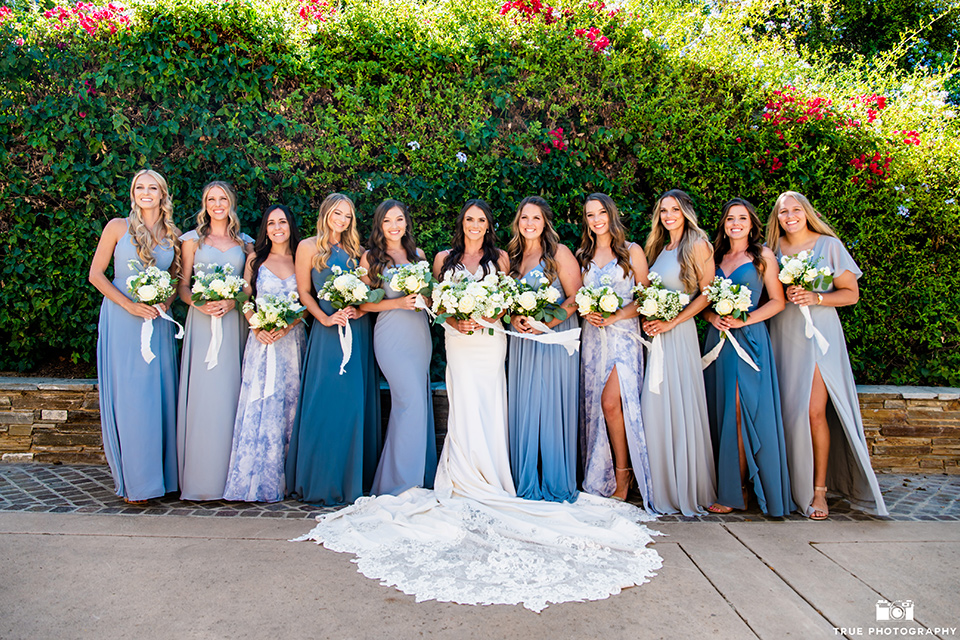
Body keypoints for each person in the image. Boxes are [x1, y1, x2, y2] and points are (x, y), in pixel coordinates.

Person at [293, 199, 663, 611]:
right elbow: (437, 306)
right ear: (461, 224)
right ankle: (458, 473)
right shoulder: (439, 259)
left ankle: (493, 475)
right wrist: (456, 320)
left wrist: (493, 314)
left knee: (490, 402)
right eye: (468, 218)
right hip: (458, 342)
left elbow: (507, 303)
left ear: (488, 226)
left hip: (490, 342)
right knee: (461, 404)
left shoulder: (502, 257)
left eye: (481, 220)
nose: (474, 225)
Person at [766, 191, 887, 519]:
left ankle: (818, 490)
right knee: (789, 412)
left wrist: (816, 297)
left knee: (814, 411)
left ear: (806, 212)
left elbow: (851, 294)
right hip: (783, 334)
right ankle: (791, 484)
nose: (789, 216)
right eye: (782, 212)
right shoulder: (773, 250)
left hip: (819, 336)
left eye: (795, 210)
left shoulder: (828, 246)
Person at [89, 169, 180, 503]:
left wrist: (163, 303)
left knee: (159, 396)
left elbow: (174, 280)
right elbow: (96, 275)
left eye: (152, 187)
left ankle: (165, 480)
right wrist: (130, 306)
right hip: (123, 320)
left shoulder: (173, 234)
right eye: (140, 187)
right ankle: (137, 484)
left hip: (158, 323)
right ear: (133, 193)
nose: (146, 192)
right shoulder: (117, 227)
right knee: (132, 398)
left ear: (162, 194)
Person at [285, 193, 381, 505]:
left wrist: (360, 311)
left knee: (352, 406)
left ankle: (352, 481)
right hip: (327, 334)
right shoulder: (308, 247)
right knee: (323, 403)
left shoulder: (358, 252)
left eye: (348, 216)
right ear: (326, 213)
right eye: (337, 214)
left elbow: (369, 294)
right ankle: (320, 479)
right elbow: (303, 291)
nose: (342, 220)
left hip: (356, 330)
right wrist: (325, 318)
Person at [702, 198, 794, 516]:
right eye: (730, 218)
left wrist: (744, 319)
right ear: (724, 224)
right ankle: (731, 484)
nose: (736, 224)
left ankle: (737, 489)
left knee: (740, 412)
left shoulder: (762, 256)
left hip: (749, 341)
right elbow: (702, 301)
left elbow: (777, 302)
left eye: (742, 218)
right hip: (718, 341)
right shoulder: (714, 256)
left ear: (752, 224)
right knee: (721, 411)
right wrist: (712, 318)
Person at [640, 189, 717, 516]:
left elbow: (707, 293)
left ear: (686, 211)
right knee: (655, 405)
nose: (668, 215)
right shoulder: (660, 248)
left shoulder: (698, 244)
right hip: (658, 335)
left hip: (680, 333)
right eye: (663, 210)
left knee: (680, 403)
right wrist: (649, 316)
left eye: (674, 209)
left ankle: (686, 487)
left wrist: (672, 321)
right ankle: (660, 486)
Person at [222, 205, 307, 502]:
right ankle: (254, 477)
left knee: (289, 403)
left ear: (290, 225)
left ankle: (288, 478)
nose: (277, 227)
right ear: (265, 229)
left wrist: (288, 325)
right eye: (271, 222)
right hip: (261, 341)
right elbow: (244, 297)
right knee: (261, 402)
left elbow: (307, 300)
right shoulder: (255, 260)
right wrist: (256, 326)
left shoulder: (301, 258)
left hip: (292, 341)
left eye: (282, 221)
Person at [177, 181, 253, 501]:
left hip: (234, 322)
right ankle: (201, 480)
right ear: (204, 204)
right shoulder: (191, 241)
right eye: (211, 199)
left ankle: (231, 478)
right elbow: (181, 287)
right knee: (204, 397)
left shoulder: (246, 243)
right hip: (202, 323)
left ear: (231, 203)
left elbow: (249, 287)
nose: (217, 204)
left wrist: (233, 302)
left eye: (223, 198)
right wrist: (200, 303)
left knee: (232, 395)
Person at [576, 193, 653, 504]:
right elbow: (577, 296)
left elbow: (646, 298)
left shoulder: (631, 251)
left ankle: (624, 474)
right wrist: (587, 311)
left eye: (601, 213)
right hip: (594, 341)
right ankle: (604, 471)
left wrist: (617, 314)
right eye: (590, 215)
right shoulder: (583, 254)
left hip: (624, 338)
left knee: (612, 404)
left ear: (611, 214)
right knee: (598, 408)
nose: (596, 220)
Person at [505, 196, 582, 502]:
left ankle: (556, 479)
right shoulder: (512, 258)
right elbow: (506, 302)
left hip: (553, 339)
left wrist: (548, 323)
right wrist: (515, 318)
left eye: (536, 218)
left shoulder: (558, 253)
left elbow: (576, 297)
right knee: (525, 405)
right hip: (524, 342)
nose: (529, 224)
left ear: (546, 222)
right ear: (517, 222)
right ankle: (525, 478)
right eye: (524, 218)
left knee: (550, 404)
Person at [358, 199, 437, 495]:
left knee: (418, 402)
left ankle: (416, 476)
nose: (394, 226)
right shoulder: (370, 257)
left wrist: (423, 300)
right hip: (391, 335)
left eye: (399, 219)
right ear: (379, 224)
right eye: (388, 220)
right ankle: (401, 485)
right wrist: (398, 302)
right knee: (409, 402)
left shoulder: (418, 255)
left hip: (418, 335)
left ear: (406, 223)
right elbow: (363, 303)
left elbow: (430, 298)